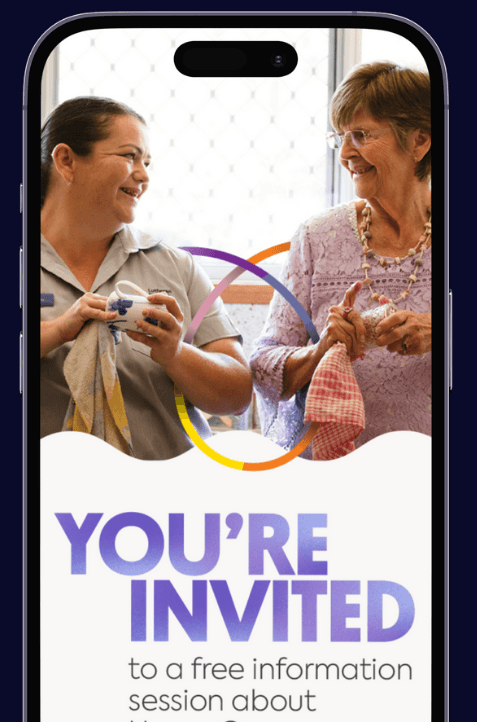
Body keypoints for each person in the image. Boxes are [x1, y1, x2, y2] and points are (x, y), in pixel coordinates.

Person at [40, 96, 252, 459]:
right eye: (129, 156)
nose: (144, 175)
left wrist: (175, 353)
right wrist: (58, 331)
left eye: (147, 162)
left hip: (164, 505)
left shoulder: (176, 267)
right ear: (66, 161)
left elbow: (237, 395)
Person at [250, 62, 431, 457]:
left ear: (419, 141)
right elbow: (263, 366)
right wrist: (320, 351)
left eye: (361, 135)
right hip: (327, 482)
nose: (346, 153)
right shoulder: (317, 237)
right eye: (341, 138)